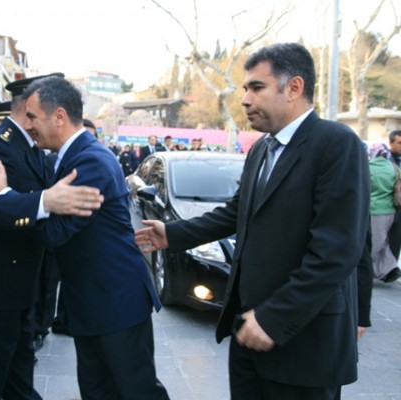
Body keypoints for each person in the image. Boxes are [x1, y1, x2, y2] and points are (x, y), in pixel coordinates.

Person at [135, 43, 369, 399]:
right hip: (247, 331)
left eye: (257, 87)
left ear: (294, 88)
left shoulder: (336, 144)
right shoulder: (261, 148)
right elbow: (237, 212)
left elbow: (336, 251)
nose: (244, 99)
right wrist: (173, 233)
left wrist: (275, 318)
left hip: (303, 343)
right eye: (245, 88)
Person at [0, 76, 170, 399]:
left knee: (136, 390)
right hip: (93, 302)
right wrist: (39, 201)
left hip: (114, 303)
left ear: (59, 117)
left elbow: (55, 231)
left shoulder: (90, 162)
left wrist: (6, 194)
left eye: (32, 116)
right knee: (98, 391)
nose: (28, 124)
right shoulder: (72, 156)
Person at [0, 73, 104, 400]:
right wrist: (43, 201)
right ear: (30, 107)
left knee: (19, 376)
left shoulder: (31, 146)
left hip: (23, 285)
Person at [368, 143, 401, 283]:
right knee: (382, 241)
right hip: (391, 212)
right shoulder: (394, 168)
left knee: (374, 244)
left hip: (374, 211)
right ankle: (391, 269)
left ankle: (366, 270)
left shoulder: (368, 167)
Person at [386, 130, 401, 259]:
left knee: (396, 240)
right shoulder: (383, 160)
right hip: (387, 207)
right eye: (399, 143)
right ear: (391, 143)